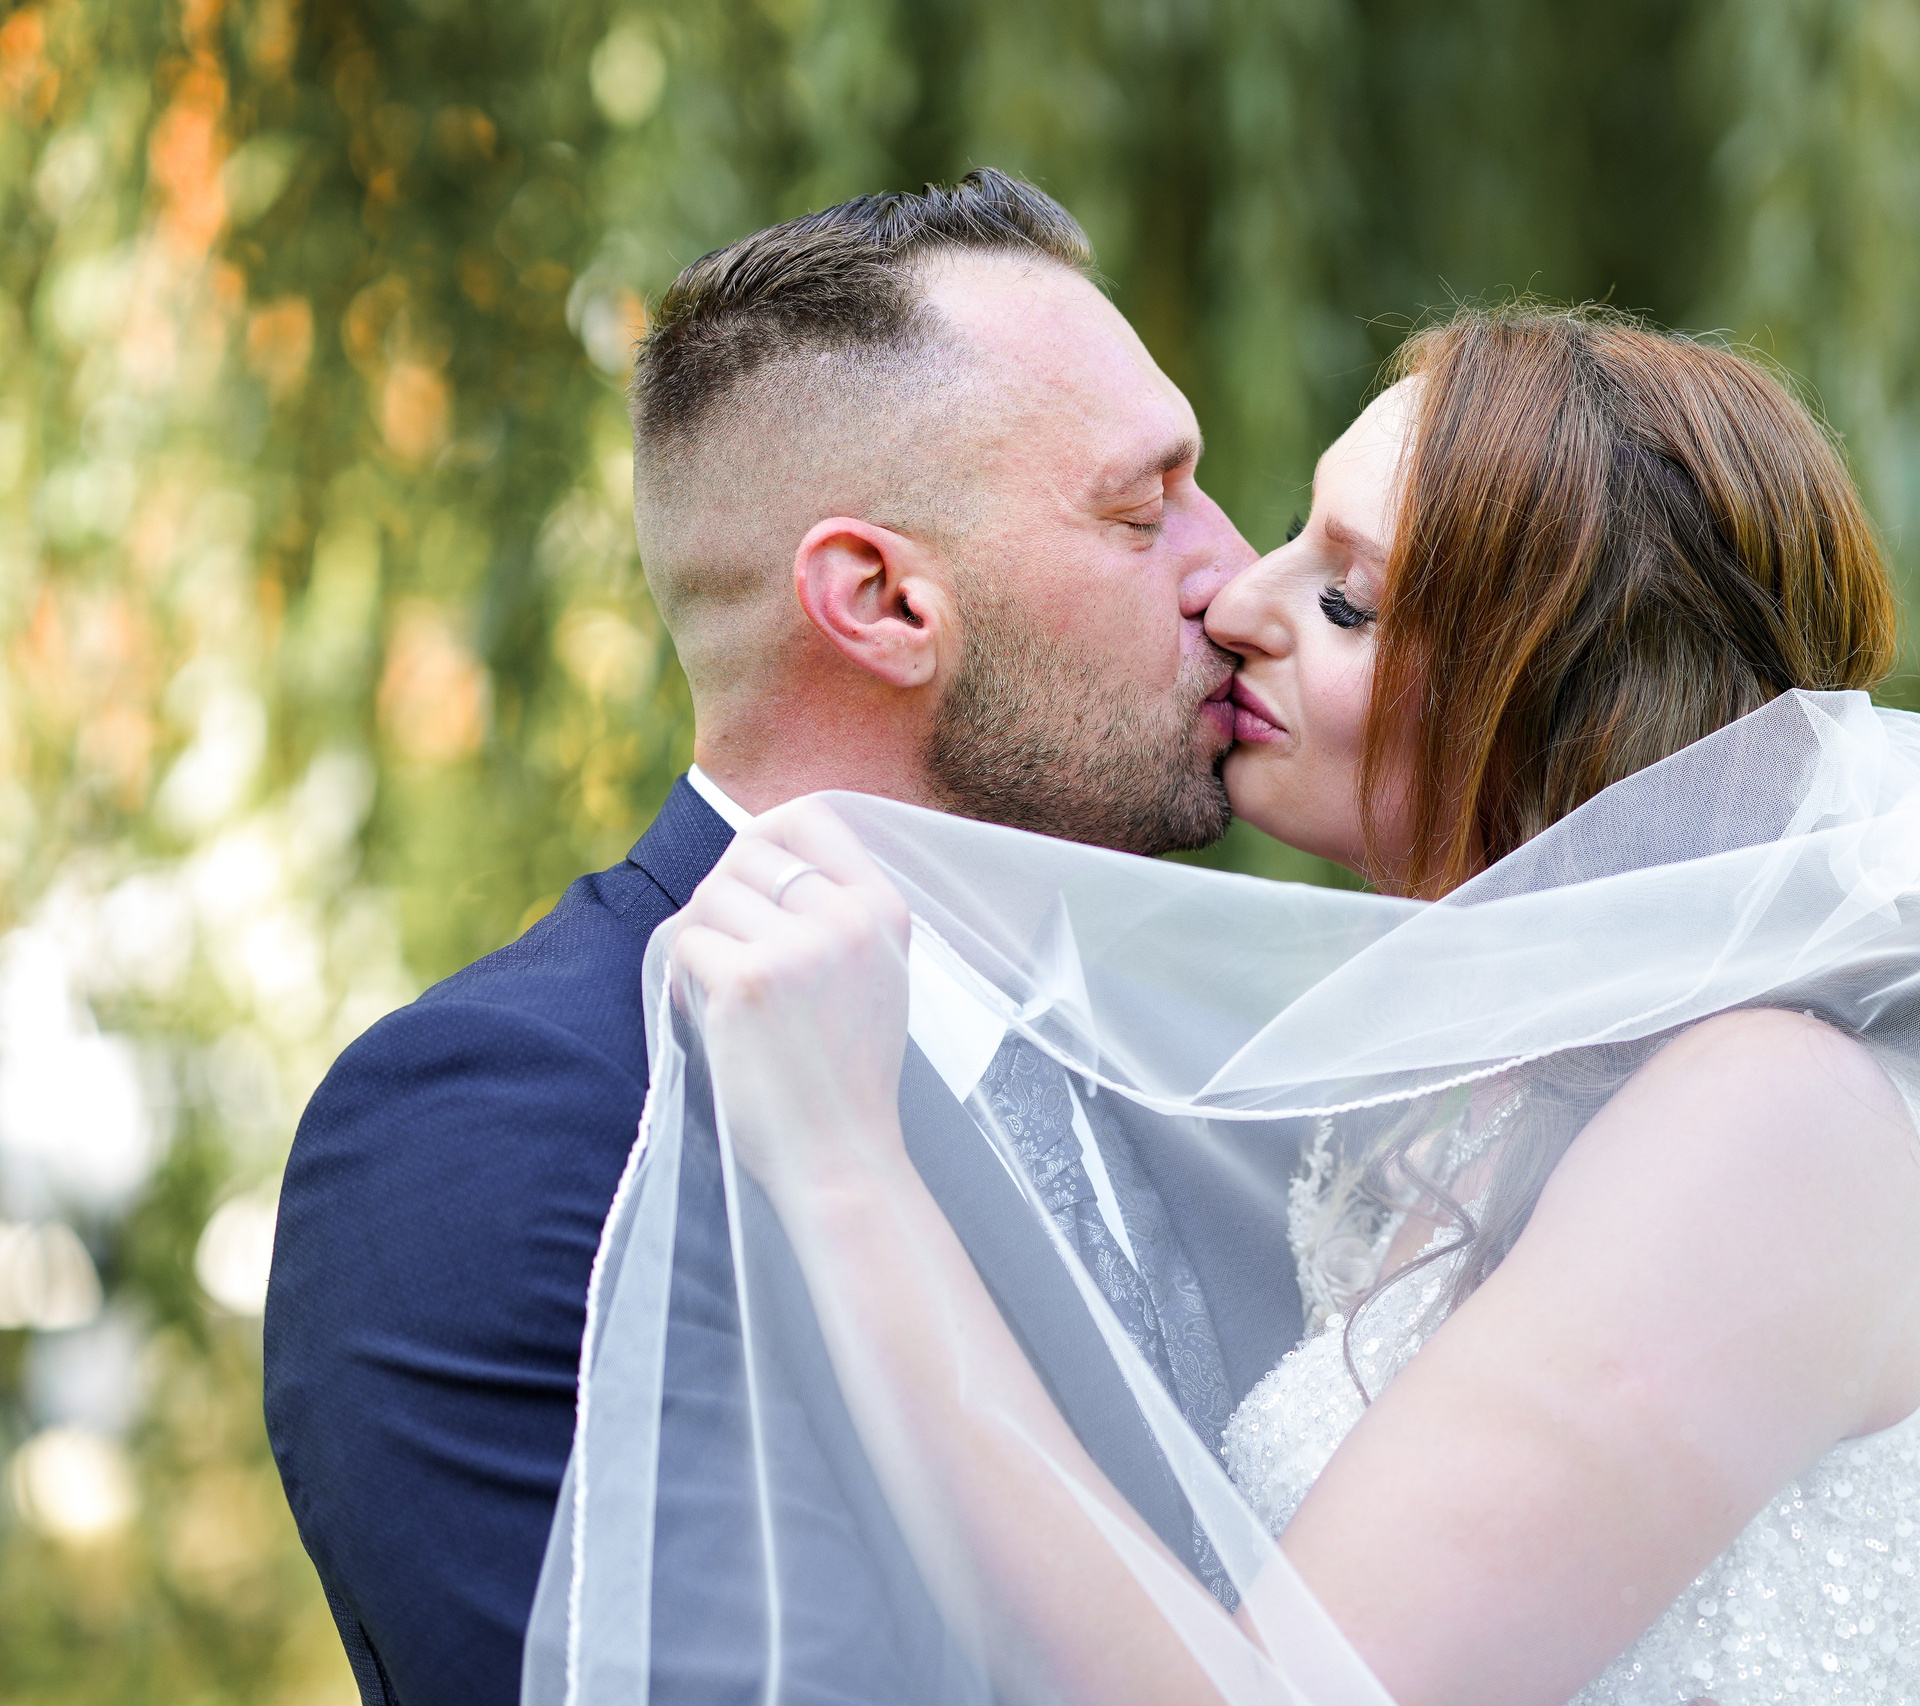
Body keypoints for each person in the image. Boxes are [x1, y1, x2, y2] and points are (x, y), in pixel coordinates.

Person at [580, 306, 1920, 1706]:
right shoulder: (1498, 1111)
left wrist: (836, 1160)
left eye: (1343, 598)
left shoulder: (1772, 1122)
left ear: (1548, 711)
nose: (1234, 598)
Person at [263, 170, 1308, 1706]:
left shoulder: (1215, 1079)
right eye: (1143, 511)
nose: (1239, 578)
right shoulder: (501, 1125)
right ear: (881, 599)